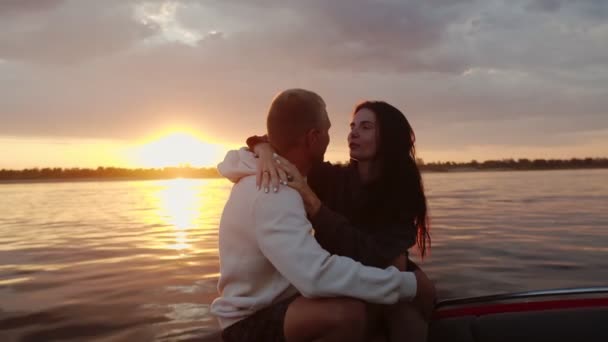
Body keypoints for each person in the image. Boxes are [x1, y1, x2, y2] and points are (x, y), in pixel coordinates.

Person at [210, 89, 435, 342]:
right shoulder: (313, 180)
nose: (352, 133)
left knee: (402, 285)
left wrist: (316, 206)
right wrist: (263, 150)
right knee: (356, 309)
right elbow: (279, 139)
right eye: (352, 126)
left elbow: (376, 256)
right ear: (314, 137)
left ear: (389, 137)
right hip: (263, 312)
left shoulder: (400, 193)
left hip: (369, 265)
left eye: (366, 126)